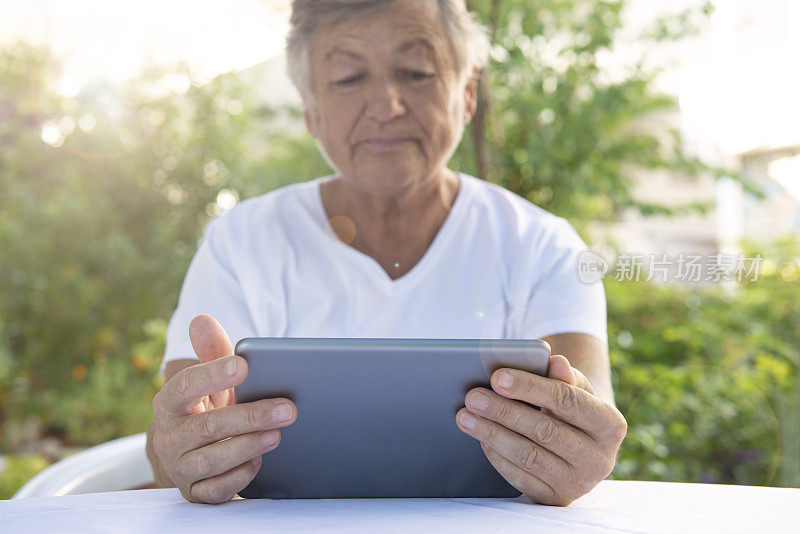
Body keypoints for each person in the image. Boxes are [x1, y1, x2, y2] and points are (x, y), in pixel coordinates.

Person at [146, 0, 627, 506]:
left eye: (416, 72)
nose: (385, 105)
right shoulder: (241, 241)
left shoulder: (544, 244)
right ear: (310, 110)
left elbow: (589, 415)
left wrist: (579, 449)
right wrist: (185, 450)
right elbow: (166, 449)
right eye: (349, 78)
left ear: (467, 93)